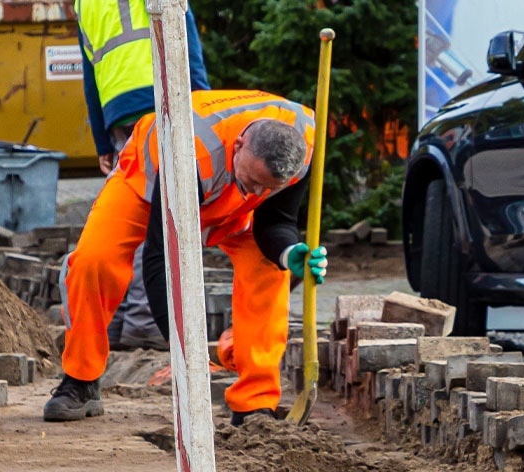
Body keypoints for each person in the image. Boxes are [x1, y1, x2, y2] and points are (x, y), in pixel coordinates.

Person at [48, 90, 325, 423]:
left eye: (267, 188)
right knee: (95, 260)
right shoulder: (189, 151)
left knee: (268, 272)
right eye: (252, 181)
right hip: (149, 184)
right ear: (238, 146)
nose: (257, 194)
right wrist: (182, 351)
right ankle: (80, 379)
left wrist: (288, 252)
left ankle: (255, 403)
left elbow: (275, 221)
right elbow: (160, 258)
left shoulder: (305, 144)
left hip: (227, 197)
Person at [77, 0, 210, 352]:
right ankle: (144, 320)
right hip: (161, 94)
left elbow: (89, 73)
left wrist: (102, 139)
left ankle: (118, 321)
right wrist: (204, 109)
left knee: (125, 218)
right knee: (156, 220)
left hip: (118, 110)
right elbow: (185, 39)